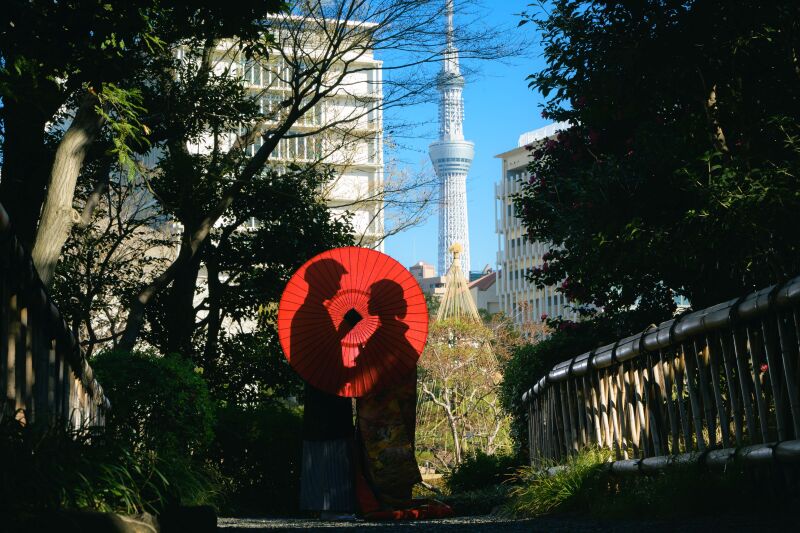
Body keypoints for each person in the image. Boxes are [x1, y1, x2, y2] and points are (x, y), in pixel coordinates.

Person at [292, 259, 357, 517]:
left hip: (322, 385)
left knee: (326, 442)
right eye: (336, 280)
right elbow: (323, 352)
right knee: (332, 443)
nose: (339, 286)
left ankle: (320, 503)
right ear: (322, 282)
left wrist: (342, 328)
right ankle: (331, 504)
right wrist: (344, 328)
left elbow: (322, 348)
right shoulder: (313, 313)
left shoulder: (311, 311)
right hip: (326, 386)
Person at [354, 279, 422, 511]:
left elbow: (368, 377)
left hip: (383, 417)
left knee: (383, 457)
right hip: (399, 411)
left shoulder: (382, 339)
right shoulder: (399, 338)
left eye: (372, 299)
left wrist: (361, 358)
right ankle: (394, 499)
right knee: (398, 453)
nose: (367, 303)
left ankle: (381, 501)